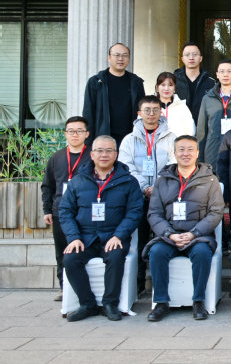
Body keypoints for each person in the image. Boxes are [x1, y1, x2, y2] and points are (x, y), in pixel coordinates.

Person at [59, 135, 143, 322]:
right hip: (85, 237)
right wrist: (74, 237)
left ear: (116, 154)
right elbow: (65, 211)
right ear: (92, 154)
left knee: (115, 257)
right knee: (70, 260)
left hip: (113, 236)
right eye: (99, 150)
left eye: (109, 150)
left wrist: (119, 235)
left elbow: (135, 212)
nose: (104, 154)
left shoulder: (129, 181)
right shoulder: (77, 181)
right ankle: (87, 304)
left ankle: (110, 304)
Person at [144, 135, 224, 321]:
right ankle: (161, 302)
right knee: (156, 252)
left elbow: (216, 212)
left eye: (190, 150)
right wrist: (169, 234)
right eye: (181, 149)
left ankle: (198, 301)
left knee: (202, 253)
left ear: (197, 153)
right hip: (169, 236)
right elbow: (154, 213)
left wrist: (194, 233)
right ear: (175, 153)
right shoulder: (162, 181)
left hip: (199, 236)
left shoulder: (210, 180)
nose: (185, 153)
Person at [118, 96, 177, 296]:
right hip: (138, 197)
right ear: (139, 113)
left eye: (155, 110)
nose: (151, 114)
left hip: (165, 198)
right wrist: (144, 187)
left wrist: (157, 187)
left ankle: (164, 284)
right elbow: (126, 166)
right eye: (147, 110)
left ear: (161, 112)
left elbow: (174, 164)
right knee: (139, 240)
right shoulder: (129, 139)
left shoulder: (171, 137)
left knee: (165, 238)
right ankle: (139, 283)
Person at [41, 116, 93, 301]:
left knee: (84, 248)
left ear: (87, 134)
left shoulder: (93, 156)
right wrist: (47, 209)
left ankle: (83, 287)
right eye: (71, 131)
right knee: (62, 250)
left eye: (79, 131)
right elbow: (48, 185)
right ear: (65, 134)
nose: (75, 134)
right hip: (60, 212)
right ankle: (64, 287)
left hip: (85, 211)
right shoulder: (56, 157)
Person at [82, 43, 146, 148]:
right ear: (109, 57)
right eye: (117, 55)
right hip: (104, 139)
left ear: (129, 58)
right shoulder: (96, 82)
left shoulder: (136, 82)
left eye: (125, 55)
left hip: (131, 139)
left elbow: (142, 112)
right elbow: (88, 113)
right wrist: (89, 142)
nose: (121, 59)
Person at [196, 59, 231, 172]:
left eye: (229, 71)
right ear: (217, 74)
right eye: (222, 71)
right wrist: (199, 158)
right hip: (213, 151)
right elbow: (201, 130)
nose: (225, 74)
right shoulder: (208, 98)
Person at [174, 42, 216, 124]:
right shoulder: (173, 81)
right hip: (179, 127)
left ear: (201, 58)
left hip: (203, 127)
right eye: (187, 54)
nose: (191, 58)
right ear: (182, 59)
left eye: (195, 54)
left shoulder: (211, 83)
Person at [155, 72, 196, 137]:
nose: (166, 88)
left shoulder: (182, 107)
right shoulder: (149, 106)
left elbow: (190, 130)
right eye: (163, 85)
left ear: (174, 87)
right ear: (157, 87)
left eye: (170, 85)